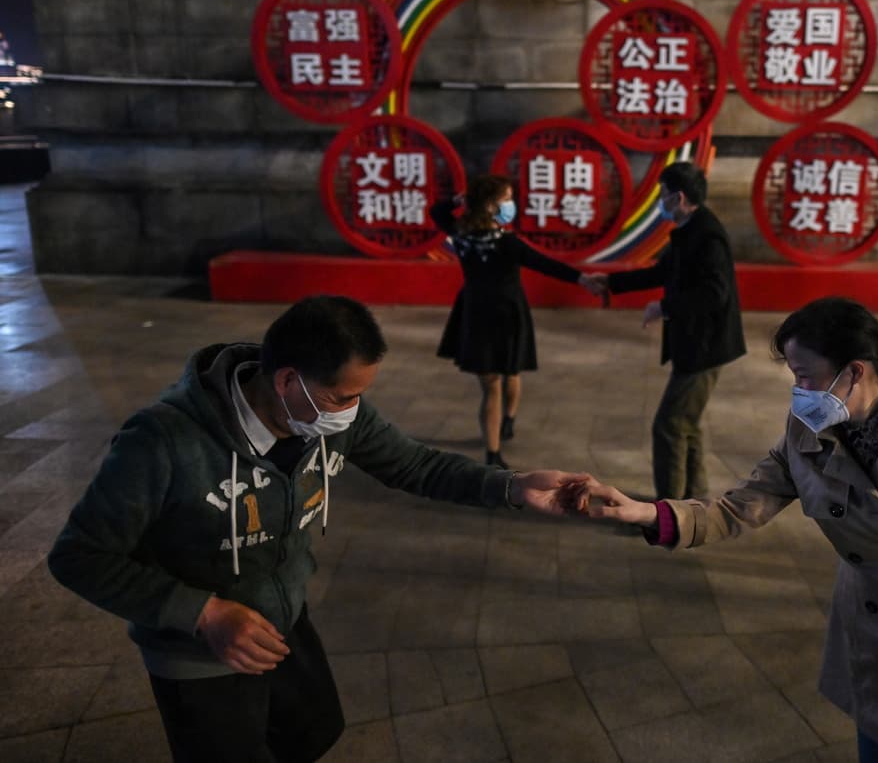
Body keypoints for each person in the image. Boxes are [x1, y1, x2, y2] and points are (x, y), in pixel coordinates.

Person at [47, 295, 592, 763]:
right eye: (342, 398)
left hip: (282, 617)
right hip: (196, 653)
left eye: (358, 396)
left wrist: (512, 487)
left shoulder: (324, 416)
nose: (351, 412)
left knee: (312, 732)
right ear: (287, 380)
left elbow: (417, 465)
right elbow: (78, 556)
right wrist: (203, 613)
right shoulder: (162, 442)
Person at [578, 297, 878, 763]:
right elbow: (734, 509)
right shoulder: (804, 436)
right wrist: (641, 512)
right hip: (876, 632)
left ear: (854, 371)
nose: (800, 392)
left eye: (805, 376)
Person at [581, 161, 745, 500]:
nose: (659, 201)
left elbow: (715, 293)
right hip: (695, 344)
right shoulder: (689, 229)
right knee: (686, 425)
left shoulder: (707, 235)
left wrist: (665, 307)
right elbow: (661, 272)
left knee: (669, 425)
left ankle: (669, 511)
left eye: (662, 194)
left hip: (705, 347)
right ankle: (694, 502)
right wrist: (610, 283)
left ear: (679, 197)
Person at [431, 174, 598, 469]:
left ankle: (494, 449)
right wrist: (582, 279)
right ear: (491, 206)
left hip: (475, 313)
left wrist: (458, 200)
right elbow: (545, 264)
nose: (511, 205)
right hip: (507, 314)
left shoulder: (461, 233)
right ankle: (505, 426)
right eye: (507, 199)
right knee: (509, 371)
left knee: (491, 385)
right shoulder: (508, 243)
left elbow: (437, 212)